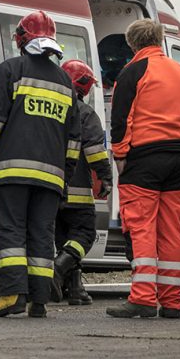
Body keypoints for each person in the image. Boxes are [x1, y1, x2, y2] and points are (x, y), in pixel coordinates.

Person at [0, 11, 80, 318]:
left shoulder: (11, 70)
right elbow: (74, 140)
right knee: (42, 235)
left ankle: (11, 295)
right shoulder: (65, 82)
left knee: (11, 233)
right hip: (52, 178)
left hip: (13, 172)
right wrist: (65, 177)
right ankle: (39, 300)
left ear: (21, 39)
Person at [107, 18, 180, 319]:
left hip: (144, 159)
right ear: (159, 39)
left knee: (142, 226)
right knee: (172, 230)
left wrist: (120, 157)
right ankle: (172, 302)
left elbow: (121, 120)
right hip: (177, 158)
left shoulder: (132, 72)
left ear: (132, 43)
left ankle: (143, 298)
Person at [55, 59, 114, 306]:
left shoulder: (53, 109)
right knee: (84, 235)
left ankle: (76, 289)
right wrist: (106, 178)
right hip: (78, 193)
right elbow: (95, 152)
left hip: (52, 190)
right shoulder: (86, 113)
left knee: (65, 240)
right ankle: (58, 270)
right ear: (84, 86)